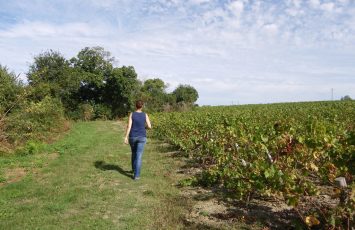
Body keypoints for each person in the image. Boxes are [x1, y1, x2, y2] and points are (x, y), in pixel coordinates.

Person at [124, 100, 152, 180]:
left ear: (135, 106)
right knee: (138, 156)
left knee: (133, 153)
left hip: (132, 137)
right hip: (142, 137)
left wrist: (126, 137)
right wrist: (144, 127)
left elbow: (129, 126)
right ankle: (136, 175)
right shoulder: (145, 115)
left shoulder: (132, 114)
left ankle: (133, 169)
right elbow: (149, 126)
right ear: (142, 106)